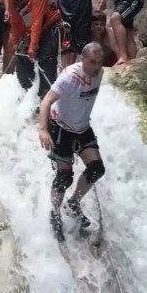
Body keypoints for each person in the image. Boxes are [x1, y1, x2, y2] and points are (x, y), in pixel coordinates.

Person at [37, 41, 108, 242]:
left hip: (82, 127)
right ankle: (55, 212)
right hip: (61, 127)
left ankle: (73, 203)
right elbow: (46, 101)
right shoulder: (69, 77)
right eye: (92, 62)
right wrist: (43, 130)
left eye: (100, 63)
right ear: (82, 59)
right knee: (64, 175)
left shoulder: (99, 73)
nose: (96, 67)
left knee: (97, 168)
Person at [5, 0, 63, 97]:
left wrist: (33, 46)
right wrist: (15, 41)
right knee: (21, 54)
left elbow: (37, 21)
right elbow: (15, 21)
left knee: (46, 60)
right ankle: (27, 91)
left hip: (50, 26)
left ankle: (46, 96)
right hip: (32, 29)